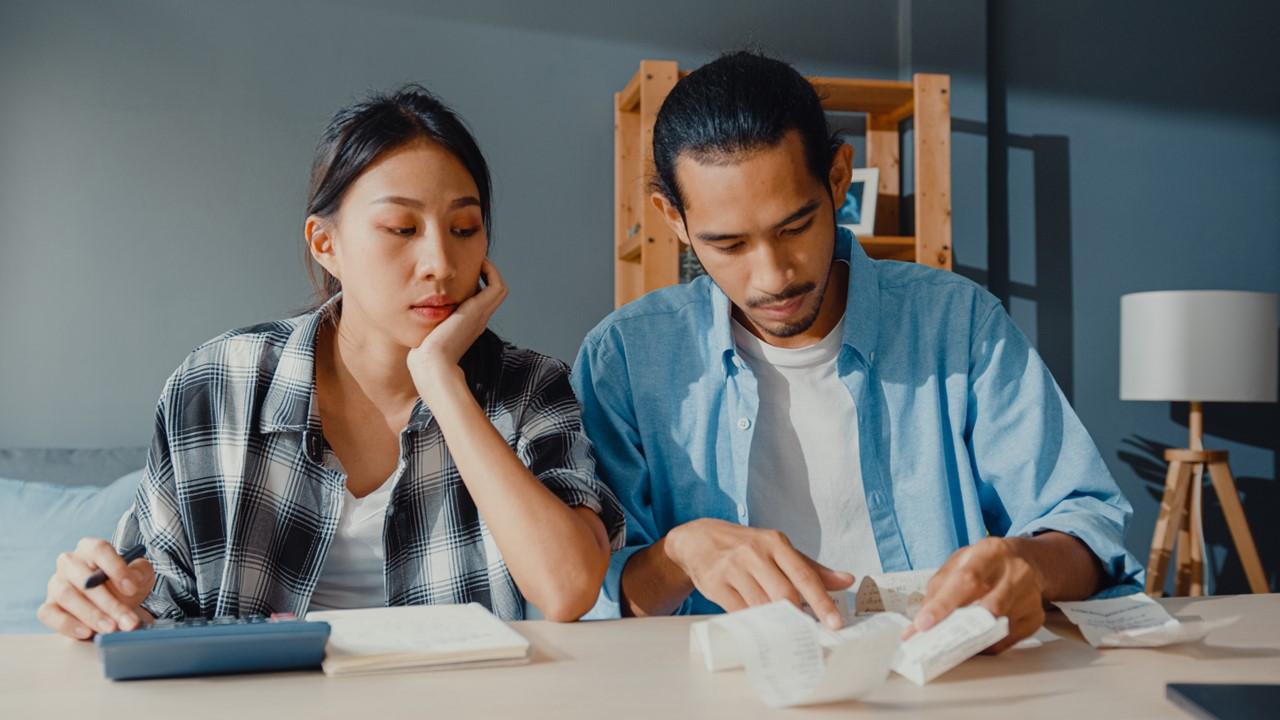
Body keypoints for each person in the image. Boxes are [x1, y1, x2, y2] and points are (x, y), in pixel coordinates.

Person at [573, 51, 1141, 650]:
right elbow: (587, 595)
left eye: (795, 227)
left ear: (839, 179)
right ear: (675, 219)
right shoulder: (626, 360)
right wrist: (679, 555)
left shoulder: (957, 324)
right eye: (730, 244)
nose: (772, 277)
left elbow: (1087, 523)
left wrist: (1029, 566)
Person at [38, 85, 624, 640]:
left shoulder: (529, 387)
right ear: (326, 244)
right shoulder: (218, 384)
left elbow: (567, 588)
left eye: (464, 228)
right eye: (401, 228)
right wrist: (102, 598)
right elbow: (155, 599)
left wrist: (442, 381)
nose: (440, 263)